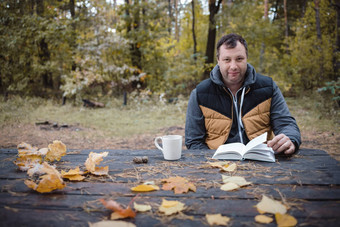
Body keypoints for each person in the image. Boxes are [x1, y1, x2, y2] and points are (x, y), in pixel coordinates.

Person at [185, 33, 301, 155]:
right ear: (218, 61)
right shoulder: (200, 94)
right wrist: (213, 163)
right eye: (227, 60)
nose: (233, 66)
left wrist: (291, 139)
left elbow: (286, 123)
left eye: (239, 59)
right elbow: (194, 141)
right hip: (217, 165)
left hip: (262, 162)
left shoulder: (268, 87)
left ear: (246, 58)